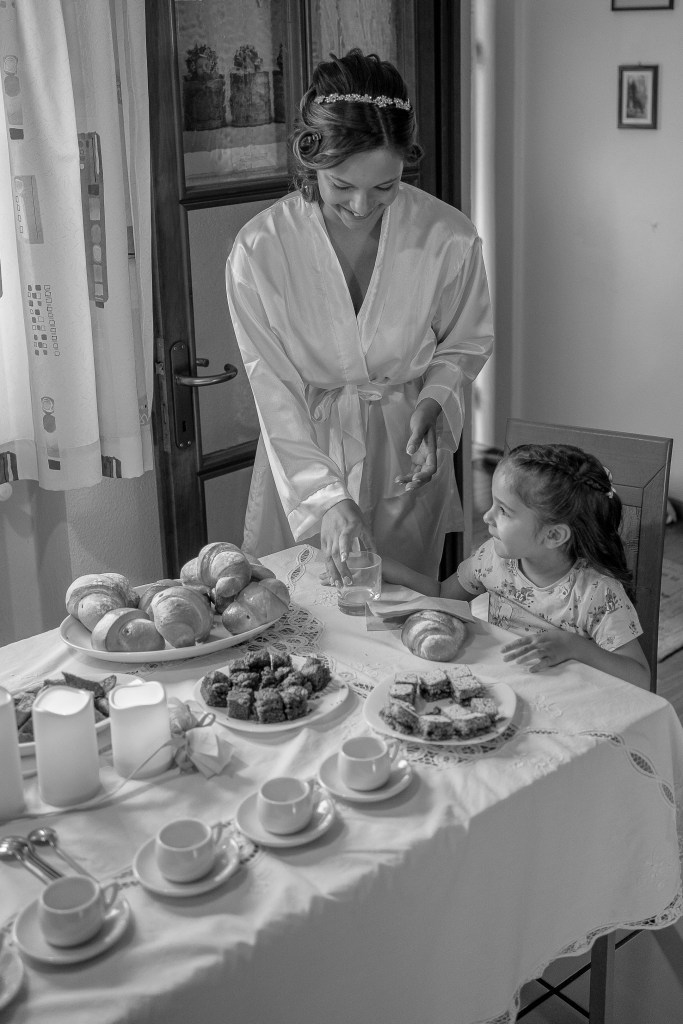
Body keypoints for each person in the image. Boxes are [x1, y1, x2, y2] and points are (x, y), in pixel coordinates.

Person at [226, 49, 493, 587]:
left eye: (385, 187)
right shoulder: (260, 251)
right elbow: (272, 388)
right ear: (311, 160)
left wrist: (434, 401)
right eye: (341, 186)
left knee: (402, 609)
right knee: (301, 612)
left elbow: (464, 342)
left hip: (404, 457)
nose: (362, 206)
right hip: (303, 457)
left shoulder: (448, 237)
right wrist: (326, 498)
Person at [381, 443, 651, 687]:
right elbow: (442, 595)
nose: (487, 516)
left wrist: (575, 647)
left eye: (503, 511)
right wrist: (380, 564)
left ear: (553, 535)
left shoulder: (597, 594)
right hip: (502, 686)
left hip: (564, 699)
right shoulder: (494, 559)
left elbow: (640, 677)